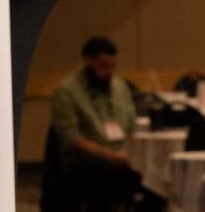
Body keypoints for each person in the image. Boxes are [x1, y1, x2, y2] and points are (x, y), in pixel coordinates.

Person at [46, 36, 161, 212]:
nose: (108, 72)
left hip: (122, 154)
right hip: (84, 160)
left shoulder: (119, 86)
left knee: (157, 177)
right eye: (102, 66)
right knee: (112, 173)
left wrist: (132, 153)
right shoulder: (67, 92)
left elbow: (131, 127)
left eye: (112, 67)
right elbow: (73, 139)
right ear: (87, 61)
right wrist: (112, 156)